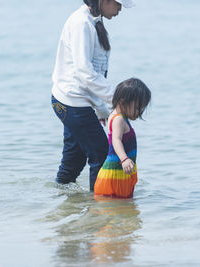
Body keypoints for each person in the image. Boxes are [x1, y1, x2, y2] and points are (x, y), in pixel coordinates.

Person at [51, 0, 134, 191]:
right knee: (100, 152)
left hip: (75, 101)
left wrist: (102, 109)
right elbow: (84, 73)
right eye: (118, 4)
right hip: (71, 102)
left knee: (73, 160)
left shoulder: (94, 20)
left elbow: (96, 72)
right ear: (104, 1)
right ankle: (98, 207)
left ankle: (61, 210)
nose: (120, 9)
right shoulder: (82, 24)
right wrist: (117, 101)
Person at [94, 78, 151, 198]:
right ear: (123, 102)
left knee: (121, 211)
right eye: (137, 108)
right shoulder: (118, 119)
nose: (139, 112)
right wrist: (124, 159)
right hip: (115, 176)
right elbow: (116, 140)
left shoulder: (116, 115)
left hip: (118, 173)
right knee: (117, 209)